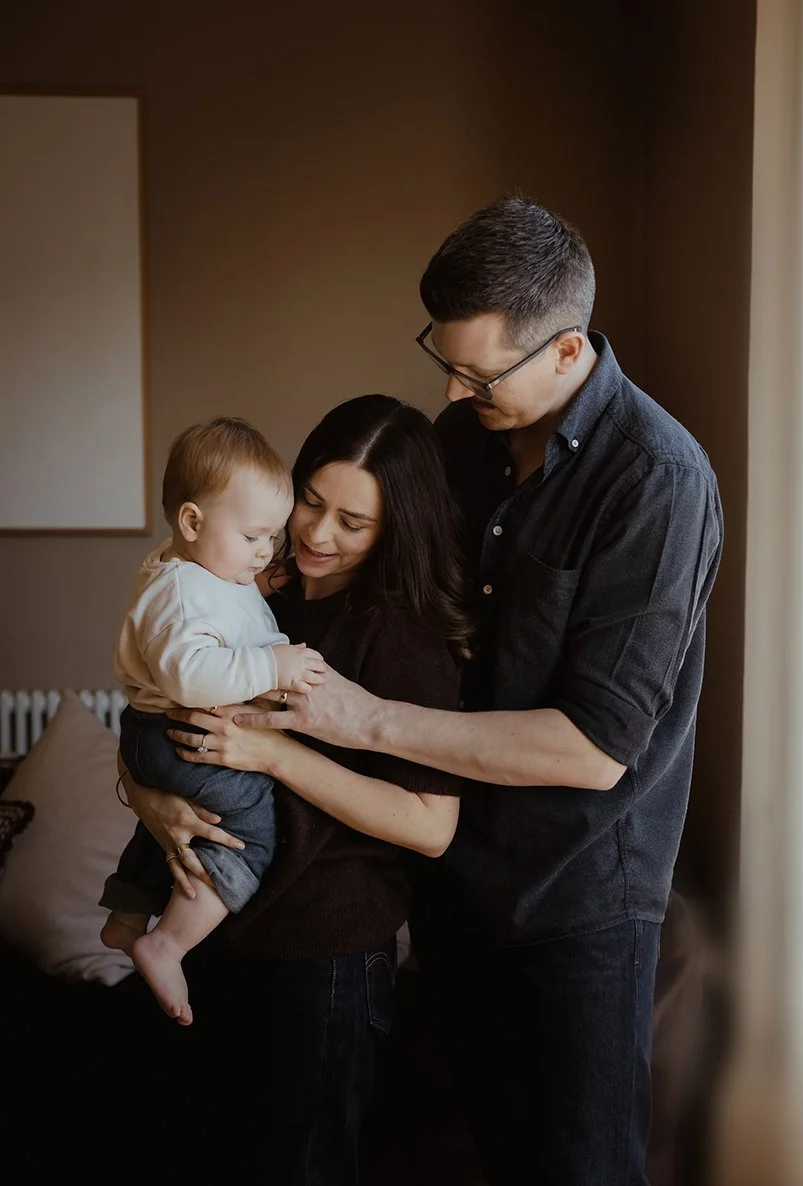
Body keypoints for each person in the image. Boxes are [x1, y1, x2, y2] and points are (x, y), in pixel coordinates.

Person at [224, 198, 724, 1186]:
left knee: (581, 1168)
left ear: (567, 348)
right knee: (488, 1153)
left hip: (580, 895)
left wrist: (358, 719)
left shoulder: (654, 481)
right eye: (442, 359)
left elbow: (593, 744)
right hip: (459, 878)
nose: (453, 388)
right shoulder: (462, 442)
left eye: (478, 372)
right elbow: (394, 583)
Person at [117, 394, 471, 1186]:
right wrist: (147, 799)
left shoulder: (401, 635)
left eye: (353, 522)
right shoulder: (249, 584)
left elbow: (430, 825)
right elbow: (154, 709)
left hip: (322, 957)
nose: (315, 534)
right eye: (311, 501)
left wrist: (271, 753)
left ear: (395, 529)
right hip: (219, 936)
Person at [100, 416, 326, 1024]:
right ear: (193, 523)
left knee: (182, 827)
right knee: (249, 836)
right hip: (174, 734)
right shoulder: (183, 591)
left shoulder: (210, 571)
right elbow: (189, 676)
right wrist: (273, 666)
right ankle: (166, 944)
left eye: (272, 537)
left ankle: (127, 916)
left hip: (160, 736)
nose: (265, 553)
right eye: (255, 536)